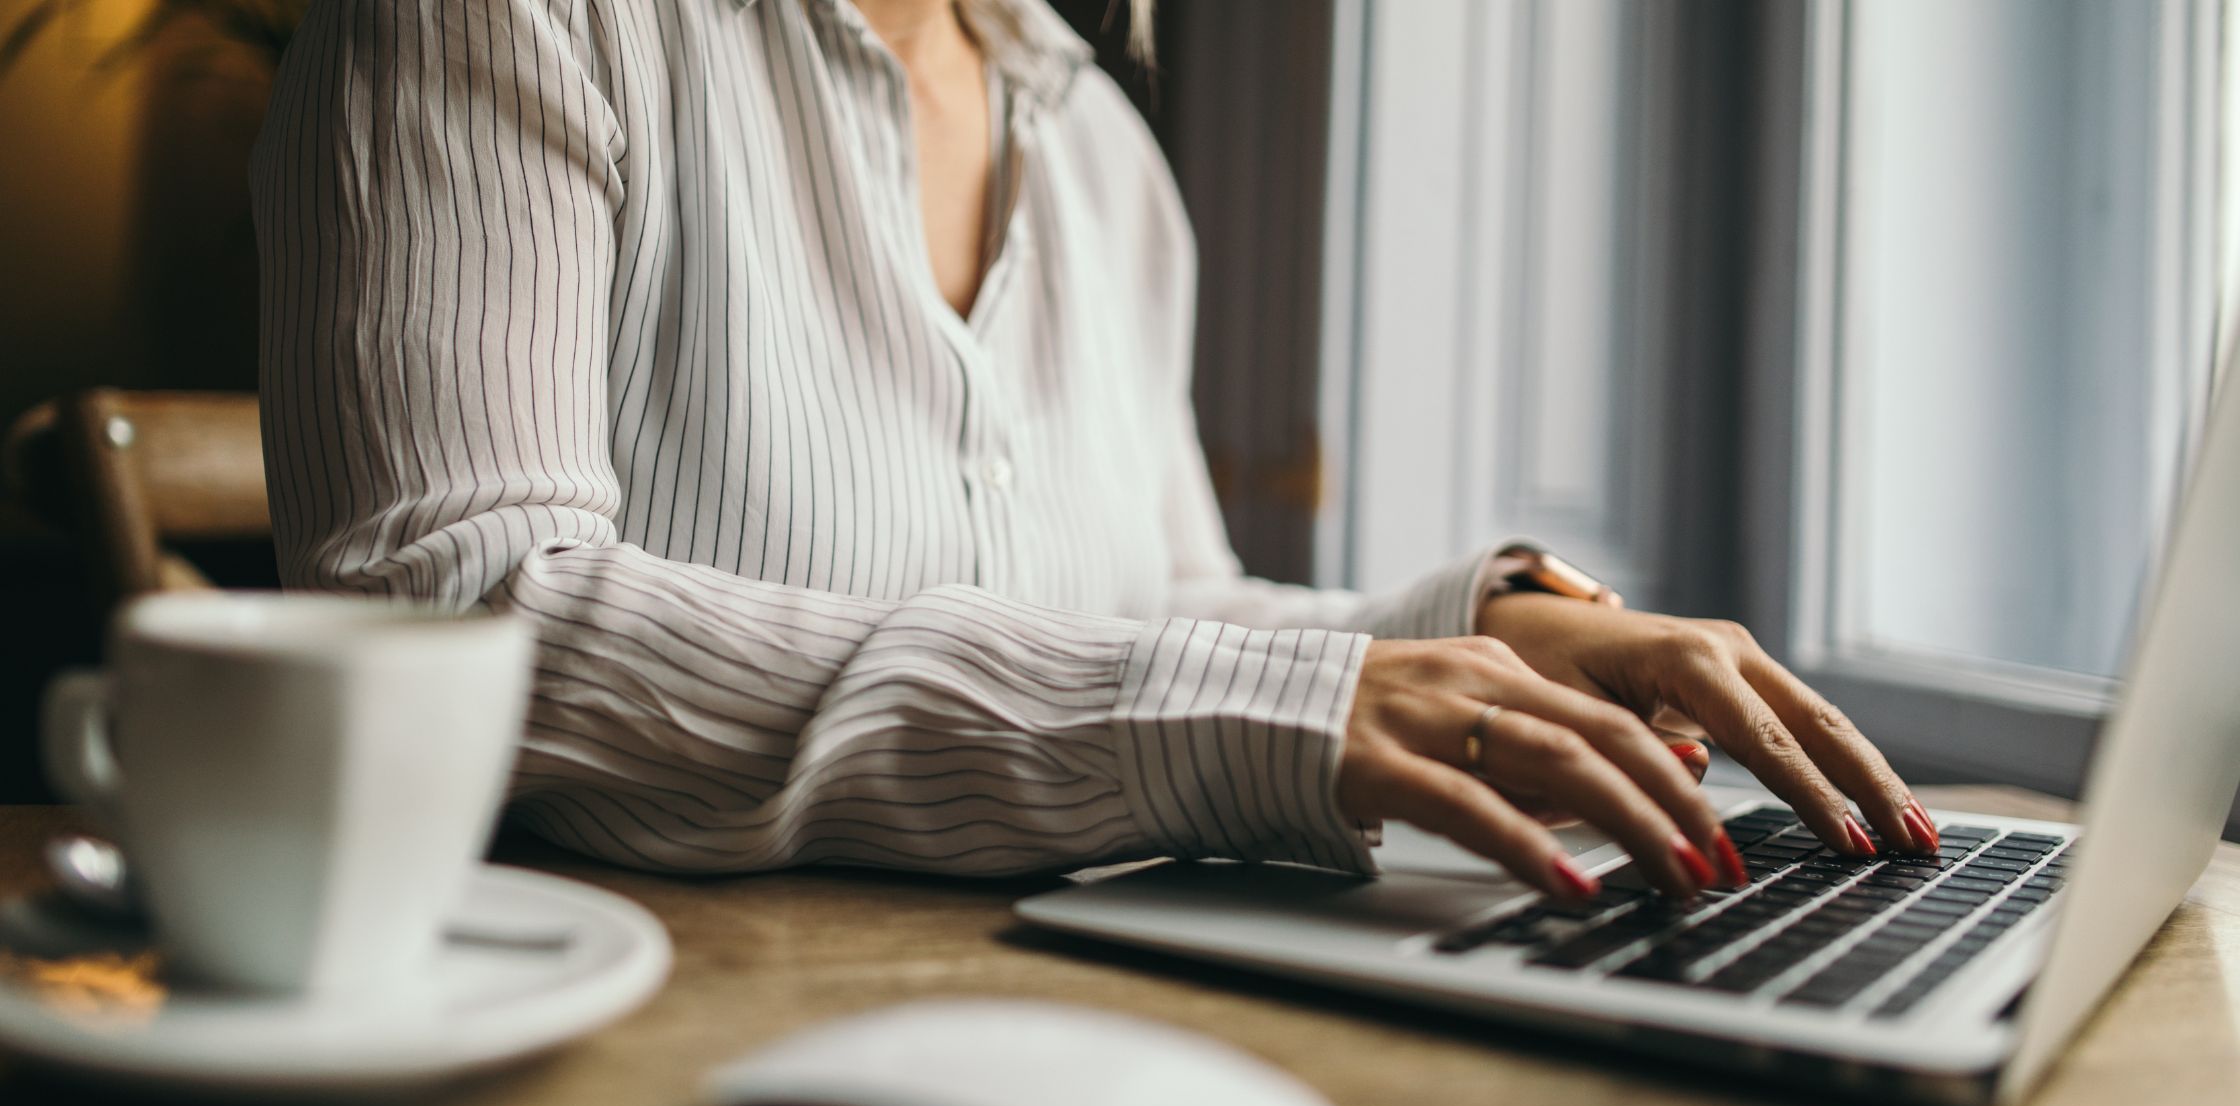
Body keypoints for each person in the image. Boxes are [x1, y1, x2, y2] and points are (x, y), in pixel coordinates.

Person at [250, 0, 1939, 905]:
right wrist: (1259, 715)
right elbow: (465, 616)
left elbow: (1164, 600)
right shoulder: (502, 18)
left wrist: (1484, 631)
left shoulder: (1104, 148)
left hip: (1072, 1029)